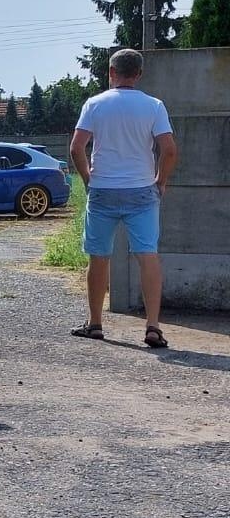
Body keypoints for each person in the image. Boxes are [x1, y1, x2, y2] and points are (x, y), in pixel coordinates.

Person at [69, 48, 177, 348]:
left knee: (99, 256)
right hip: (142, 190)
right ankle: (153, 327)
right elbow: (168, 150)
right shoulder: (154, 105)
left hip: (103, 188)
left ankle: (95, 324)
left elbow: (77, 148)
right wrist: (160, 181)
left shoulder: (95, 104)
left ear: (110, 72)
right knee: (147, 255)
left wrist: (89, 179)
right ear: (139, 74)